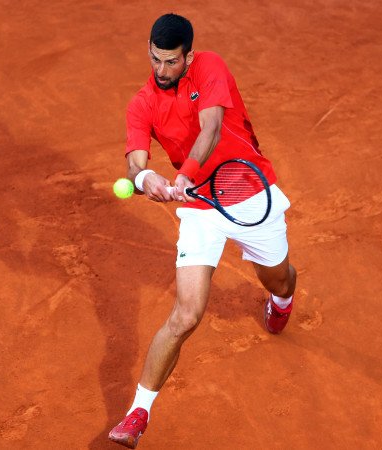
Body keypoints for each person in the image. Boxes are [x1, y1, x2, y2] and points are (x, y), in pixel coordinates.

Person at [108, 13, 298, 448]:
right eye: (155, 59)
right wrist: (146, 180)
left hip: (248, 188)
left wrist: (186, 173)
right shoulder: (141, 103)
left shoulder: (210, 66)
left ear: (188, 57)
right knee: (186, 314)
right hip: (199, 208)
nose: (161, 70)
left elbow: (211, 128)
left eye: (171, 62)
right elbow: (134, 163)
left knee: (278, 276)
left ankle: (282, 299)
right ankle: (138, 413)